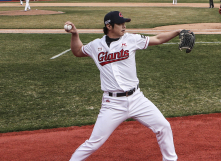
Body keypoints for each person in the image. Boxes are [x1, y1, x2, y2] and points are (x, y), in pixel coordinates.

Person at [64, 12, 179, 161]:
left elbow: (157, 39)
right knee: (94, 142)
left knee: (163, 126)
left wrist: (177, 32)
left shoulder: (131, 39)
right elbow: (78, 51)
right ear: (109, 26)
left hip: (137, 99)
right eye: (120, 23)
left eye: (124, 22)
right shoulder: (96, 45)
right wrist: (75, 34)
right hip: (112, 104)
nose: (124, 26)